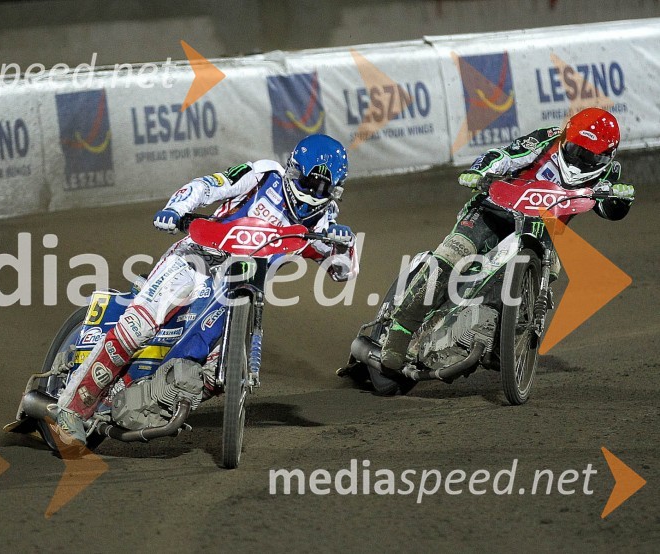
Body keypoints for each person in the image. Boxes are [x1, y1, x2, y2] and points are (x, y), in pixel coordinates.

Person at [52, 134, 358, 445]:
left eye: (323, 187)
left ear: (335, 190)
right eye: (308, 180)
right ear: (293, 170)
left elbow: (342, 271)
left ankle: (147, 399)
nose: (313, 190)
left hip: (238, 289)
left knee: (216, 374)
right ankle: (71, 409)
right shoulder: (264, 175)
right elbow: (210, 185)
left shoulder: (323, 221)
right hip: (196, 259)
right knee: (138, 326)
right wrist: (176, 208)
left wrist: (345, 245)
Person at [379, 107, 636, 370]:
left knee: (551, 269)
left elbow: (608, 208)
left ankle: (507, 340)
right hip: (493, 211)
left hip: (540, 231)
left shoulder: (608, 175)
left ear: (607, 157)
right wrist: (479, 171)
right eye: (573, 149)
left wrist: (621, 200)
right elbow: (505, 156)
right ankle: (399, 333)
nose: (577, 158)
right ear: (565, 138)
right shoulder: (545, 139)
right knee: (454, 253)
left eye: (588, 156)